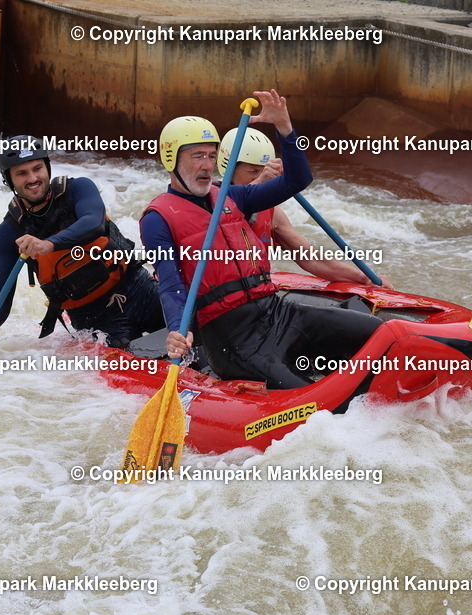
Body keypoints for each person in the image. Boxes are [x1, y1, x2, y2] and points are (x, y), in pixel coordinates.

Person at [139, 89, 382, 390]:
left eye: (212, 156)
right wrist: (177, 331)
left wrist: (285, 128)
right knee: (310, 397)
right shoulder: (157, 217)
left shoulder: (234, 196)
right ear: (170, 158)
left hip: (276, 313)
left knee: (378, 333)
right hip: (232, 340)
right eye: (197, 156)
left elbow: (298, 180)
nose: (207, 165)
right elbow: (170, 284)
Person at [0, 136, 164, 350]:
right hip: (95, 319)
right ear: (9, 180)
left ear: (47, 167)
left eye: (37, 168)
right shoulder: (10, 231)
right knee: (130, 350)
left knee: (194, 325)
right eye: (21, 173)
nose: (32, 178)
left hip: (137, 288)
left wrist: (48, 244)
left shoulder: (78, 190)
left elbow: (93, 223)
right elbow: (1, 295)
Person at [217, 126, 393, 289]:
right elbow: (231, 208)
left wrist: (364, 278)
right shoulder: (208, 203)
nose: (263, 176)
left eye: (264, 170)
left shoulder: (272, 213)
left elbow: (310, 258)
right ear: (228, 168)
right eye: (253, 171)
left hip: (255, 296)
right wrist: (259, 183)